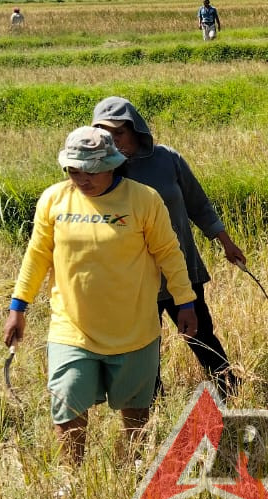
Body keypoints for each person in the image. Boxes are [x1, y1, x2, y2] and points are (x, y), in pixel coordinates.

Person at [3, 127, 197, 466]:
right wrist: (18, 306)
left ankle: (135, 466)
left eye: (90, 170)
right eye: (74, 170)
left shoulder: (143, 200)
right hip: (72, 328)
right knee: (66, 401)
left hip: (134, 330)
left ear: (112, 164)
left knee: (135, 409)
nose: (82, 178)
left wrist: (186, 301)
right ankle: (72, 478)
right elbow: (37, 255)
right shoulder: (54, 199)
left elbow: (169, 253)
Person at [92, 96, 243, 397]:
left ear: (135, 129)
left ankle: (230, 390)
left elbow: (197, 204)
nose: (113, 141)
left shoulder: (167, 159)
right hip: (134, 278)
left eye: (118, 133)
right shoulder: (99, 173)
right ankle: (153, 403)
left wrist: (226, 242)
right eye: (104, 135)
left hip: (181, 269)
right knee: (144, 346)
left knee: (201, 335)